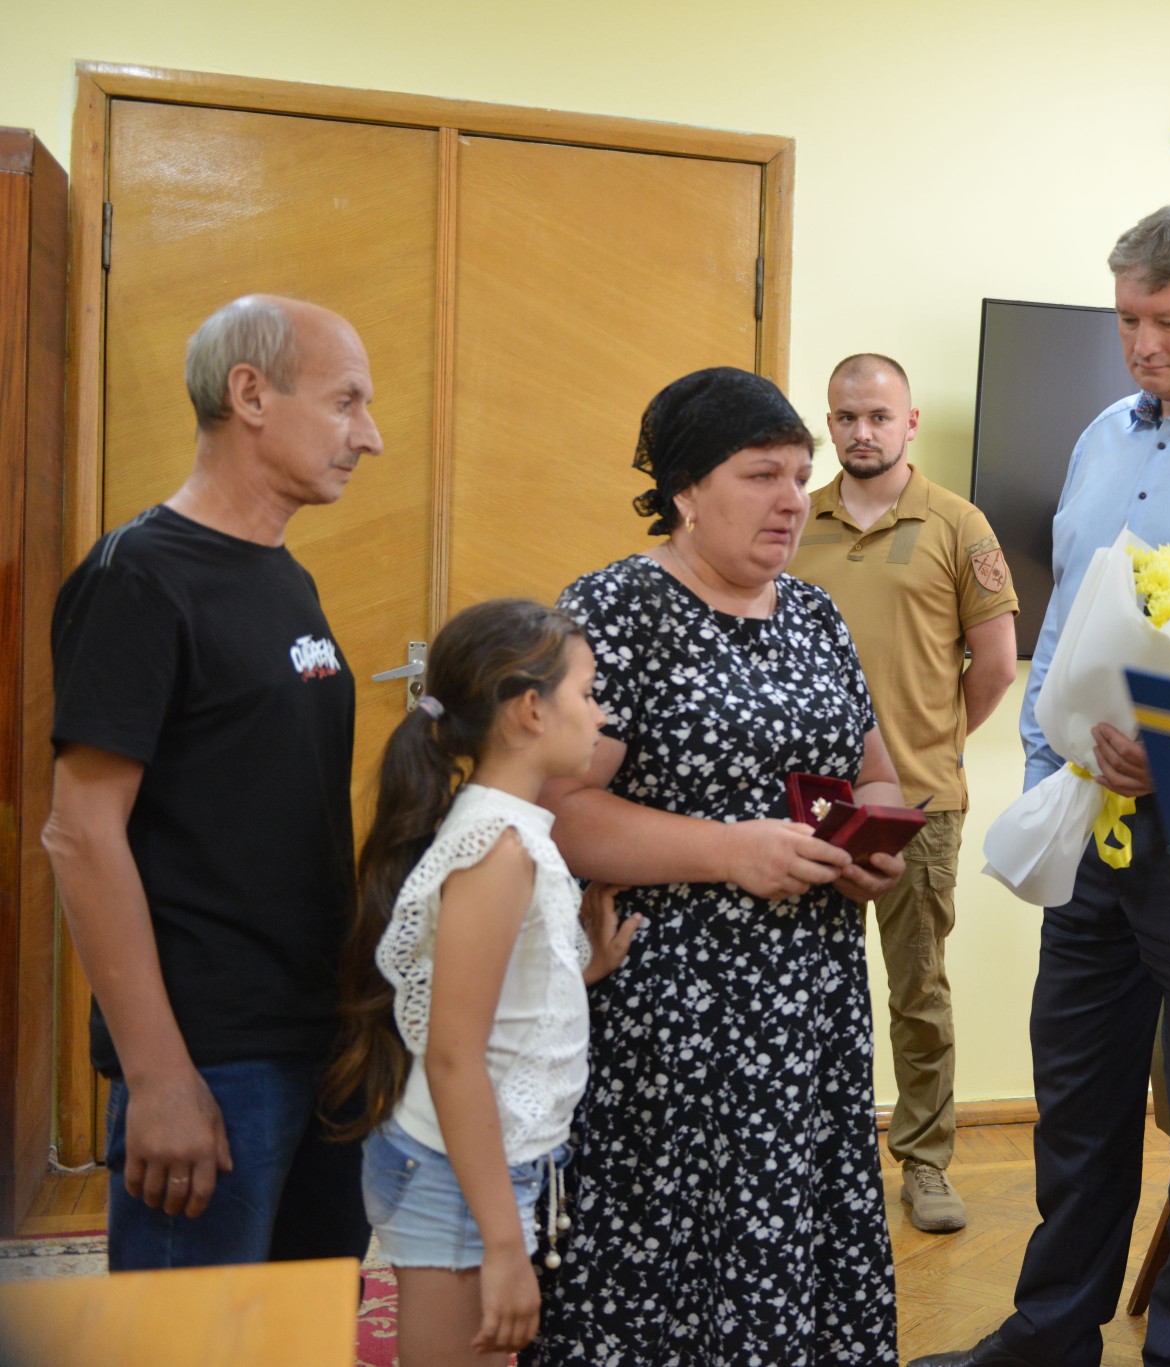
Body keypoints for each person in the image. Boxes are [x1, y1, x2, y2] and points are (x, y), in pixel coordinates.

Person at [912, 204, 1170, 1367]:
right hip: (1090, 820)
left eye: (1167, 320)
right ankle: (1051, 1331)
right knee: (1077, 1097)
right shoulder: (1099, 435)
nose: (1141, 342)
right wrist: (1047, 774)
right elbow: (1062, 621)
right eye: (1126, 318)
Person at [530, 367, 906, 1366]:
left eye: (799, 476)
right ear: (687, 489)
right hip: (673, 1012)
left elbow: (874, 772)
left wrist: (869, 846)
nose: (792, 500)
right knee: (673, 1257)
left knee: (792, 1237)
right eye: (761, 476)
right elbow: (558, 809)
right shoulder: (615, 608)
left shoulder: (813, 613)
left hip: (810, 1005)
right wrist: (729, 851)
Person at [42, 294, 381, 1271]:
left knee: (302, 1328)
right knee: (197, 1336)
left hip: (320, 1037)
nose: (371, 435)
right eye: (347, 401)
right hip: (211, 1059)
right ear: (251, 395)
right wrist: (158, 1075)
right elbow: (81, 833)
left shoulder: (284, 575)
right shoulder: (138, 578)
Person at [322, 598, 641, 1365]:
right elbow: (453, 1055)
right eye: (588, 692)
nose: (601, 713)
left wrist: (580, 968)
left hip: (485, 1165)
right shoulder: (496, 848)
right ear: (530, 709)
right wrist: (502, 1244)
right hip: (453, 1174)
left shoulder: (515, 827)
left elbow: (493, 996)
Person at [791, 353, 1019, 1234]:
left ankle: (925, 1161)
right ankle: (814, 1157)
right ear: (830, 423)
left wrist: (930, 745)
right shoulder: (794, 519)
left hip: (917, 804)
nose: (862, 431)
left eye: (879, 416)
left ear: (910, 422)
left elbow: (994, 666)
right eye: (846, 417)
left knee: (917, 989)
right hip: (807, 804)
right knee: (806, 989)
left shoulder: (959, 524)